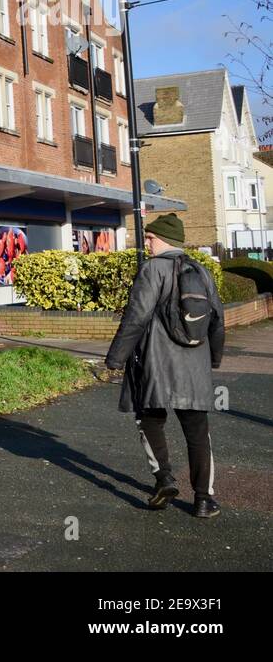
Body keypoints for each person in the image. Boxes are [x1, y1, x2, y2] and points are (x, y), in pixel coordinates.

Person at [105, 213, 225, 518]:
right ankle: (203, 499)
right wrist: (213, 358)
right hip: (195, 365)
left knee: (148, 419)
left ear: (165, 240)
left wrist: (116, 357)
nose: (146, 242)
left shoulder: (152, 270)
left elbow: (136, 317)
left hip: (155, 364)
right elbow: (218, 321)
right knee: (197, 432)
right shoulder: (202, 271)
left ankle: (165, 478)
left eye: (150, 237)